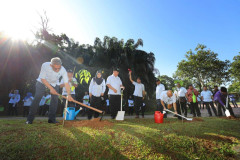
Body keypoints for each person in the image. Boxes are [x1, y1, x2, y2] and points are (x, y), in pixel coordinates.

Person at [26, 57, 73, 124]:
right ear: (51, 65)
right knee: (37, 97)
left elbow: (66, 83)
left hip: (54, 83)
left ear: (61, 66)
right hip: (42, 82)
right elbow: (43, 79)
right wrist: (51, 89)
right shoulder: (45, 65)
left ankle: (51, 119)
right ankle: (29, 119)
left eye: (58, 68)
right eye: (55, 68)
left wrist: (69, 95)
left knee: (55, 100)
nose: (57, 70)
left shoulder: (63, 70)